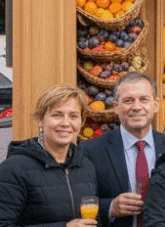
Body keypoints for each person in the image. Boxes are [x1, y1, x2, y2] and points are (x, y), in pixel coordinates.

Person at [80, 72, 165, 227]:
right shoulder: (91, 150)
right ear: (116, 107)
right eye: (128, 100)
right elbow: (77, 202)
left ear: (156, 104)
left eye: (144, 99)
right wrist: (110, 207)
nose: (136, 107)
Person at [0, 84, 98, 227]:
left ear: (82, 122)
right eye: (56, 115)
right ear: (40, 120)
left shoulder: (86, 166)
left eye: (73, 116)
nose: (65, 123)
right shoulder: (13, 169)